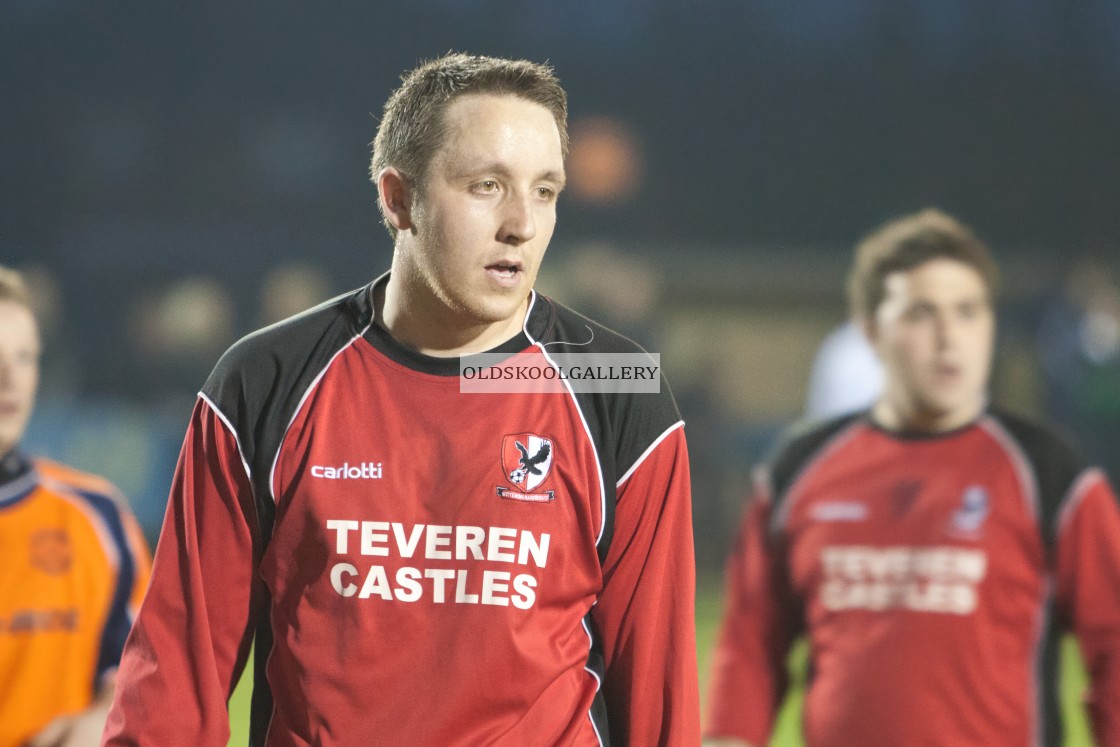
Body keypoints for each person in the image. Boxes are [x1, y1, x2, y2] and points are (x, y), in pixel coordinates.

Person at [104, 53, 699, 746]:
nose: (522, 224)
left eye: (545, 191)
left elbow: (658, 689)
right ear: (397, 198)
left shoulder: (616, 386)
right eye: (486, 186)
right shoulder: (266, 381)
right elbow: (175, 675)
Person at [703, 209, 1120, 746]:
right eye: (921, 314)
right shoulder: (798, 470)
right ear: (873, 331)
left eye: (968, 312)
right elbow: (751, 644)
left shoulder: (1049, 472)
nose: (950, 337)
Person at [0, 265, 151, 747]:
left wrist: (100, 720)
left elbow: (145, 675)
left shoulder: (95, 516)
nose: (10, 379)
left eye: (24, 358)